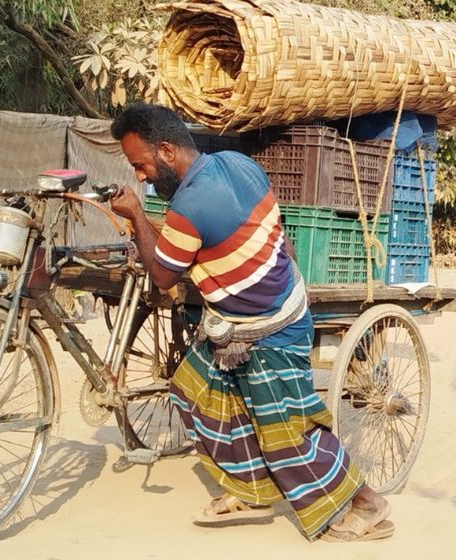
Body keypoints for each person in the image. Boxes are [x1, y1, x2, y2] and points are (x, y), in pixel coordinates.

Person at [107, 103, 394, 542]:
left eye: (141, 166)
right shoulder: (234, 164)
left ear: (166, 151)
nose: (141, 177)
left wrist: (137, 219)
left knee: (288, 433)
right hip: (257, 315)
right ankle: (253, 489)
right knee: (194, 393)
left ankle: (367, 504)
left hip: (269, 330)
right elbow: (227, 232)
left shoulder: (188, 206)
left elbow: (163, 276)